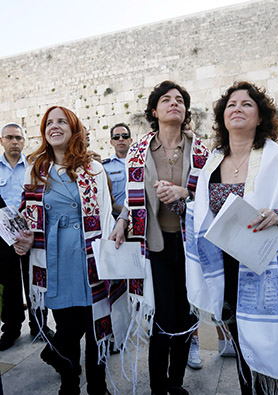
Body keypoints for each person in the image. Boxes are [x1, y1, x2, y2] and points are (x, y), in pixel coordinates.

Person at [186, 81, 278, 394]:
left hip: (266, 266)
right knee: (240, 344)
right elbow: (201, 213)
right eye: (231, 105)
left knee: (268, 345)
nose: (237, 109)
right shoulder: (212, 162)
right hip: (226, 268)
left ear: (261, 116)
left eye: (247, 104)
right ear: (223, 116)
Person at [110, 81, 209, 395]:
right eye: (166, 100)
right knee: (162, 315)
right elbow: (131, 197)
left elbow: (210, 195)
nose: (174, 104)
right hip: (154, 246)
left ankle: (176, 383)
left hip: (190, 245)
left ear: (185, 110)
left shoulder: (202, 150)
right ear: (154, 110)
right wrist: (123, 220)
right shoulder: (139, 152)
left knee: (186, 313)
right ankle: (157, 386)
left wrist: (185, 193)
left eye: (179, 100)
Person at [14, 106, 114, 395]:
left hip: (90, 260)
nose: (54, 126)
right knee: (68, 331)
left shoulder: (94, 169)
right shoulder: (36, 170)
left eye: (62, 122)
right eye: (49, 123)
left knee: (96, 331)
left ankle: (98, 387)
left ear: (73, 129)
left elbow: (106, 214)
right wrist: (23, 239)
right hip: (55, 261)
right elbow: (27, 220)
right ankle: (69, 383)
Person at [0, 123, 53, 350]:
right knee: (9, 283)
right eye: (10, 138)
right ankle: (11, 329)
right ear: (1, 141)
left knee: (36, 279)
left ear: (24, 141)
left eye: (19, 138)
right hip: (2, 237)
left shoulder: (34, 167)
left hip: (30, 233)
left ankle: (39, 324)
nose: (15, 142)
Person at [102, 123, 133, 218]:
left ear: (130, 140)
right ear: (111, 142)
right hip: (116, 216)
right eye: (116, 137)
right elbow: (105, 197)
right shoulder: (105, 167)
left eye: (125, 136)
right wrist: (125, 212)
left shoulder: (142, 163)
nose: (120, 139)